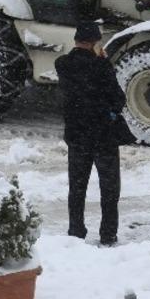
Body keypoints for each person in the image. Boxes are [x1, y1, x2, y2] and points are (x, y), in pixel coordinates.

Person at [54, 21, 127, 246]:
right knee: (109, 189)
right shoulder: (102, 67)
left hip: (77, 136)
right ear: (96, 43)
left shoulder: (63, 64)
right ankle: (108, 234)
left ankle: (76, 232)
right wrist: (103, 60)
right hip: (102, 137)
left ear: (76, 40)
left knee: (77, 188)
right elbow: (118, 99)